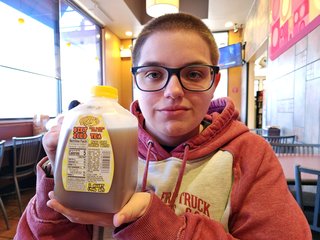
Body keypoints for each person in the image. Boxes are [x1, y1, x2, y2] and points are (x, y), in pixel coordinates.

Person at [15, 13, 311, 239]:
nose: (173, 91)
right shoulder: (99, 141)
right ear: (136, 81)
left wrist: (153, 223)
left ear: (214, 83)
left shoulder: (249, 154)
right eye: (154, 74)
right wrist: (59, 176)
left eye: (193, 74)